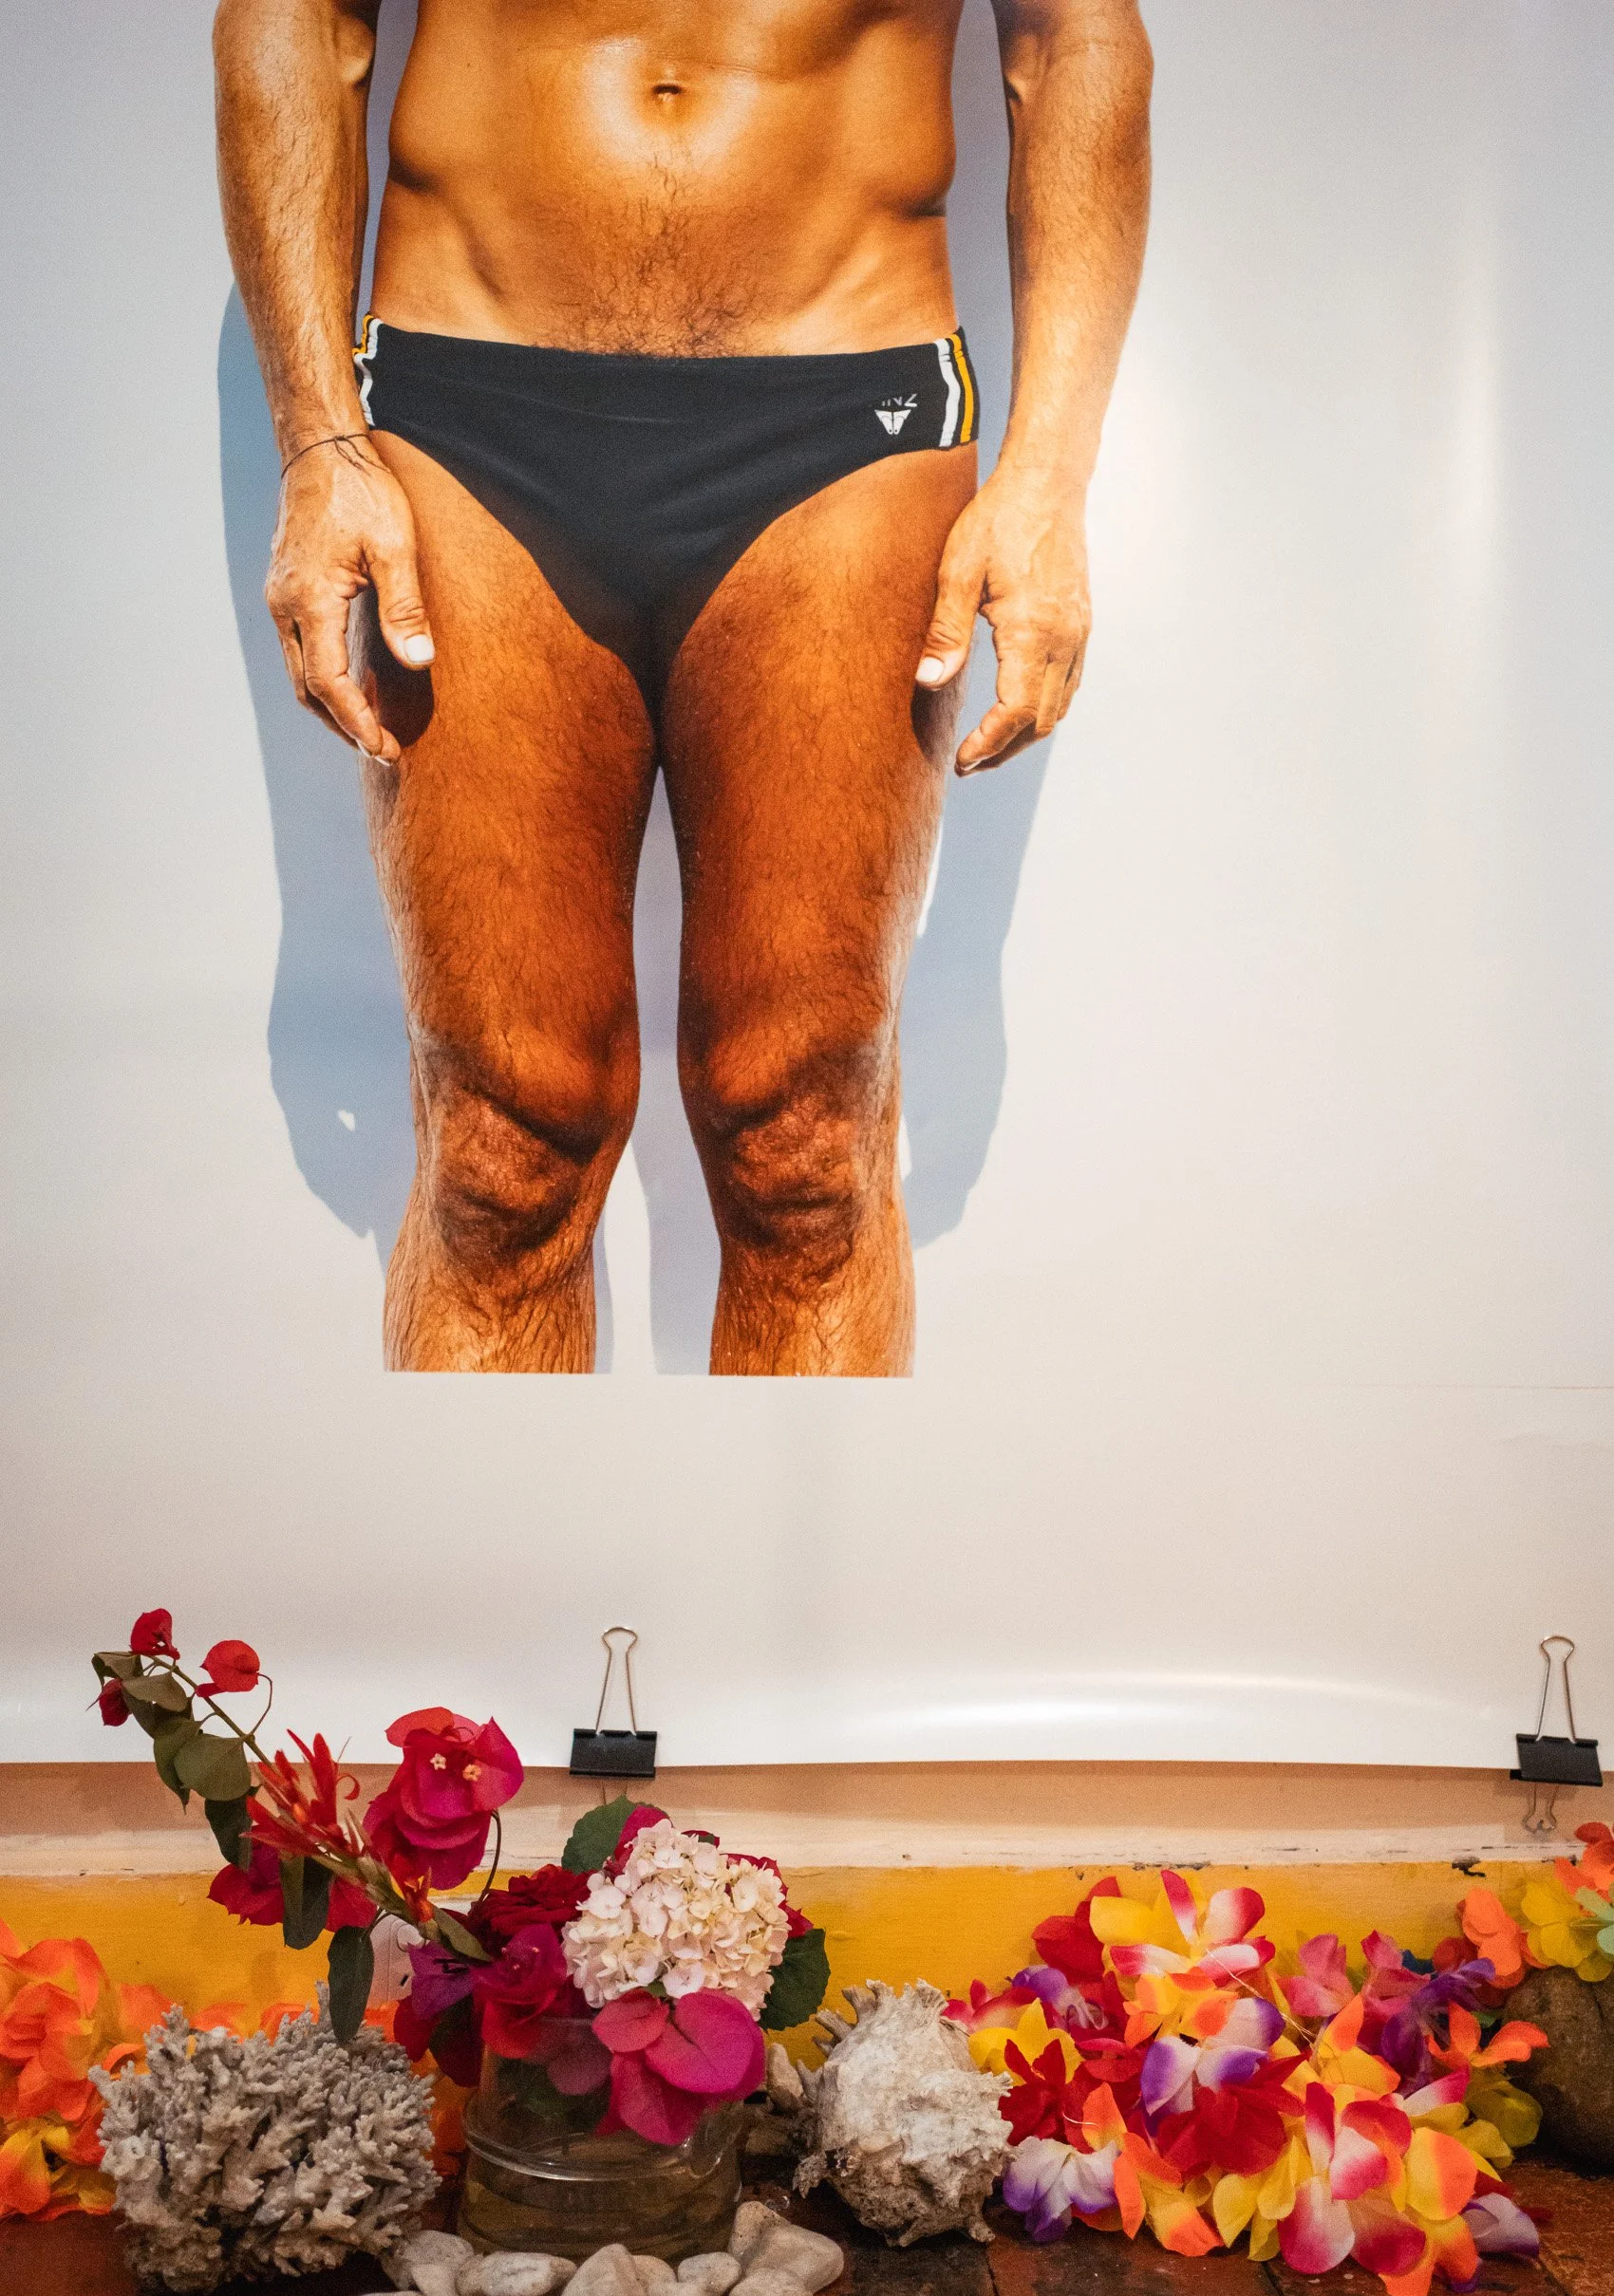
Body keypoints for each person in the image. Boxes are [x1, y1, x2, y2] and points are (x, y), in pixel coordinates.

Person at [214, 0, 1152, 1374]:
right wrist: (314, 443)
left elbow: (1074, 39)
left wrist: (1053, 479)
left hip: (848, 413)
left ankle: (795, 1590)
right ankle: (491, 1589)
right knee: (497, 1154)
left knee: (807, 1147)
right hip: (468, 404)